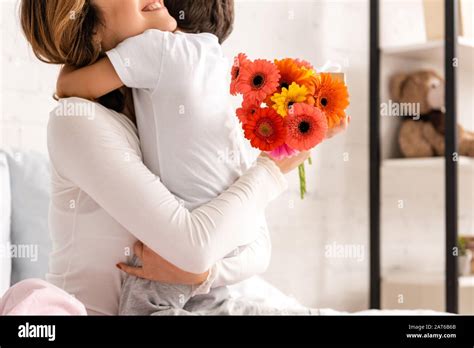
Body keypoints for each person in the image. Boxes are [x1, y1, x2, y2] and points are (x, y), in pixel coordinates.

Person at [20, 0, 314, 315]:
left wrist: (203, 276)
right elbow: (195, 248)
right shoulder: (77, 121)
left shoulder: (176, 101)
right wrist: (270, 169)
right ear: (89, 28)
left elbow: (257, 248)